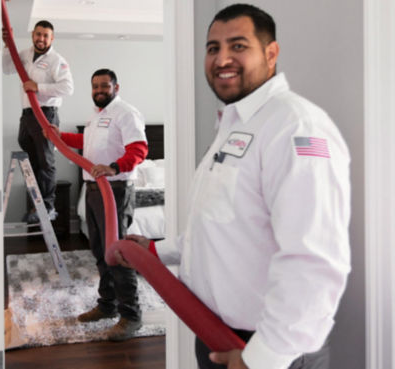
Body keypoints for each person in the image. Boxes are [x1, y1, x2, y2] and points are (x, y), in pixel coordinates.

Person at [116, 4, 351, 369]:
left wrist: (264, 358)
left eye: (238, 46)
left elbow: (314, 258)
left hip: (270, 349)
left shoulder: (294, 126)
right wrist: (155, 249)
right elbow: (219, 225)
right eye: (213, 48)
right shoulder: (236, 125)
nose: (222, 58)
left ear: (271, 53)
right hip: (215, 332)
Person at [46, 69, 149, 341]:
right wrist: (61, 137)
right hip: (93, 189)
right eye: (95, 86)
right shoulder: (97, 116)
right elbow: (86, 143)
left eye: (105, 85)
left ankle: (131, 315)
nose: (99, 90)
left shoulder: (126, 113)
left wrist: (114, 168)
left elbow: (139, 149)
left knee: (117, 253)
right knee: (100, 251)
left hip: (114, 189)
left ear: (116, 87)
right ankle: (108, 305)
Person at [3, 20, 74, 223]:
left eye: (45, 36)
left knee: (45, 160)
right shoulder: (25, 54)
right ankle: (38, 202)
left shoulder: (56, 60)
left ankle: (49, 206)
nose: (41, 38)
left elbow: (68, 88)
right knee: (29, 154)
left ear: (51, 39)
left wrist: (38, 87)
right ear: (33, 35)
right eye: (38, 34)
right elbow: (7, 68)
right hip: (27, 114)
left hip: (45, 113)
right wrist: (8, 47)